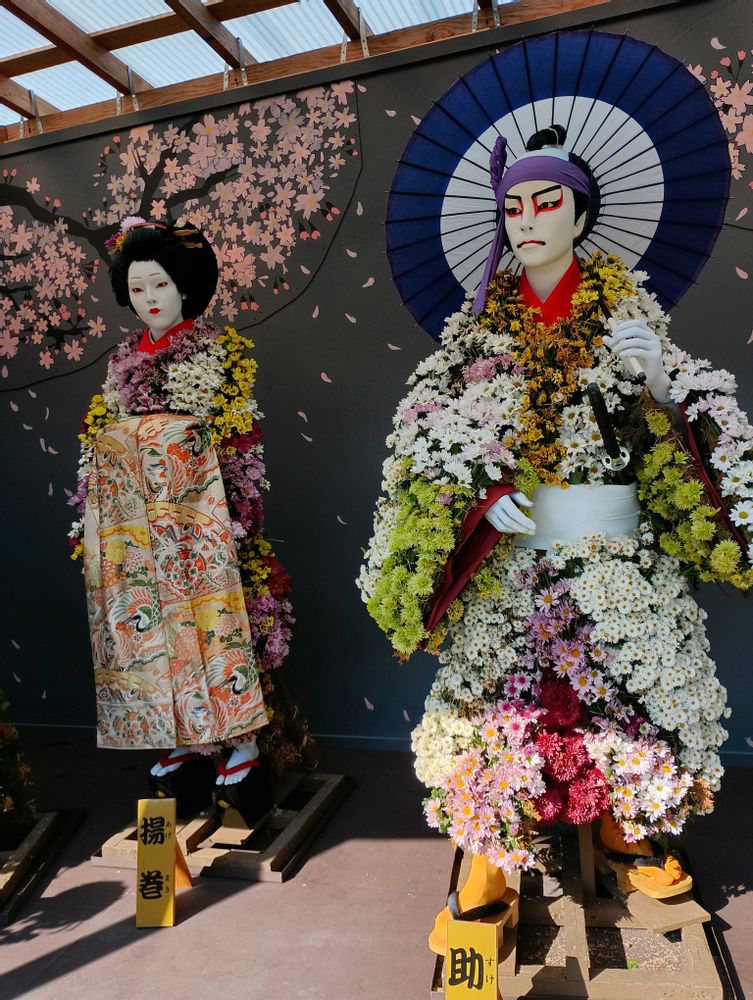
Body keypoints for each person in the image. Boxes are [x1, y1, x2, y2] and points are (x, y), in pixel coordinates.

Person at [359, 126, 748, 952]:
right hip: (511, 555)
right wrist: (477, 493)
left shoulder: (629, 318)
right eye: (512, 207)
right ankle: (488, 853)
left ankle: (627, 827)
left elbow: (684, 432)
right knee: (497, 700)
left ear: (580, 215)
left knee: (626, 695)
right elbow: (428, 429)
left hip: (612, 553)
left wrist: (658, 383)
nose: (527, 220)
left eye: (546, 203)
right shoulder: (474, 333)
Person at [70, 217, 297, 821]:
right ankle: (182, 739)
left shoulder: (216, 351)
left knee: (218, 629)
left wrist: (235, 506)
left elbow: (237, 436)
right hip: (140, 528)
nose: (150, 298)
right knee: (155, 633)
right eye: (138, 287)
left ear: (184, 286)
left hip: (201, 519)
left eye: (161, 284)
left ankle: (242, 745)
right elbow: (103, 440)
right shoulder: (123, 361)